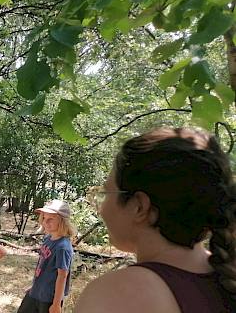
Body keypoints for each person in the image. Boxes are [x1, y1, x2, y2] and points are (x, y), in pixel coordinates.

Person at [75, 127, 236, 313]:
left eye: (106, 193)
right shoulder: (227, 279)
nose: (101, 208)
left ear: (139, 206)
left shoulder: (119, 294)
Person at [16, 200, 75, 313]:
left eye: (50, 219)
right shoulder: (48, 238)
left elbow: (62, 276)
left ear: (62, 221)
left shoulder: (62, 247)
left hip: (49, 298)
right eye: (44, 218)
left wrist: (56, 304)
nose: (45, 222)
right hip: (36, 292)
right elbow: (43, 266)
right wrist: (34, 286)